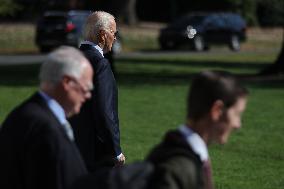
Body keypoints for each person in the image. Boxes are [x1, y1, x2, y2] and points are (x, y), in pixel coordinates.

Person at [0, 46, 94, 189]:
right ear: (67, 82)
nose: (88, 95)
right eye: (86, 88)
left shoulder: (22, 114)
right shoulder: (47, 130)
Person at [146, 70, 249, 189]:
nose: (238, 124)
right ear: (217, 110)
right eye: (237, 114)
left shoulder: (184, 153)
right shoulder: (178, 167)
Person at [69, 11, 125, 171]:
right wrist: (116, 151)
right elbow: (104, 110)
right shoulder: (100, 65)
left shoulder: (72, 60)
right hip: (97, 153)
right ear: (102, 35)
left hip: (74, 147)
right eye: (113, 33)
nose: (115, 38)